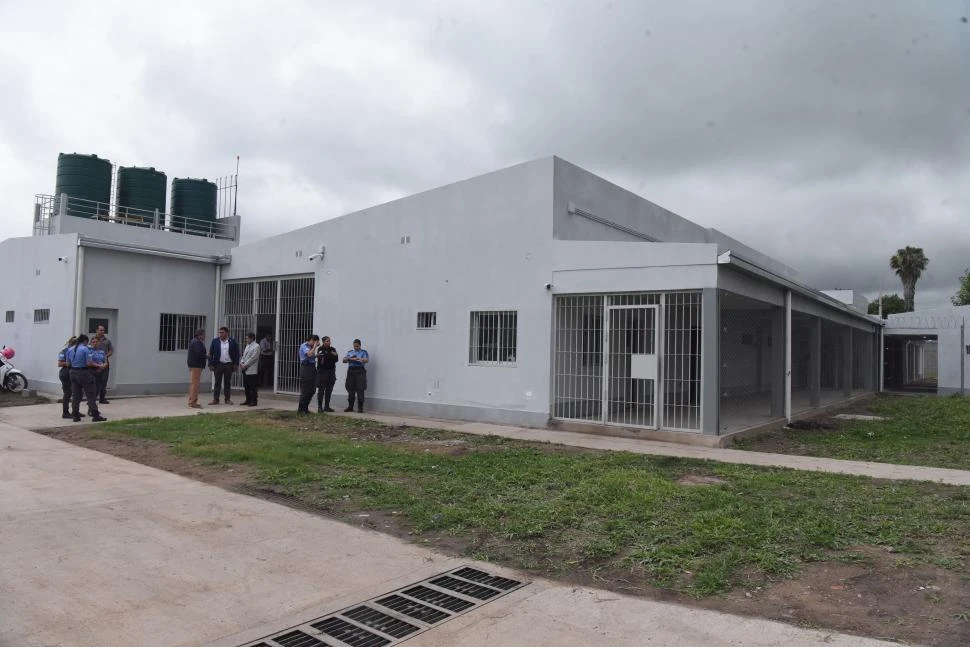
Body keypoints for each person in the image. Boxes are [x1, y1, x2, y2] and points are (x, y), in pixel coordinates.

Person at [67, 335, 106, 422]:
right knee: (91, 394)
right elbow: (89, 363)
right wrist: (100, 365)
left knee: (76, 395)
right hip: (84, 373)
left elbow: (68, 364)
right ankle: (95, 415)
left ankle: (75, 415)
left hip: (73, 372)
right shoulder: (85, 349)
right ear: (85, 341)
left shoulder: (70, 349)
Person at [208, 326, 239, 405]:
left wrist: (236, 364)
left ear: (226, 333)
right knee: (217, 382)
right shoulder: (215, 341)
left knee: (227, 383)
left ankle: (227, 399)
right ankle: (216, 399)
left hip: (229, 365)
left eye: (222, 333)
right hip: (218, 365)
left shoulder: (232, 341)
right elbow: (210, 353)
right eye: (220, 333)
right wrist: (210, 364)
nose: (220, 334)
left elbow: (237, 354)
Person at [342, 338, 369, 413]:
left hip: (360, 371)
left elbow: (367, 360)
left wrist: (360, 359)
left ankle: (360, 408)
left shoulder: (363, 352)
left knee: (360, 389)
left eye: (357, 346)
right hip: (351, 371)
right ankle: (350, 407)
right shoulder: (350, 352)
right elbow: (344, 360)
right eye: (354, 346)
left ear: (360, 345)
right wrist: (348, 358)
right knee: (350, 389)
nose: (356, 348)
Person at [297, 334, 320, 414]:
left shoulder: (310, 347)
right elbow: (309, 354)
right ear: (310, 340)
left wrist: (317, 355)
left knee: (312, 389)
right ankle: (301, 409)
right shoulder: (304, 345)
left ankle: (306, 408)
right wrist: (314, 347)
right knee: (306, 389)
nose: (315, 343)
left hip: (312, 367)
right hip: (306, 368)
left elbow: (311, 356)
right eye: (314, 341)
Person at [315, 335, 339, 413]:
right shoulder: (320, 349)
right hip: (322, 372)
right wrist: (331, 355)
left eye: (329, 341)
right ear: (323, 342)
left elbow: (336, 359)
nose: (329, 342)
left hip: (331, 371)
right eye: (327, 341)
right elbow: (321, 359)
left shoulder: (333, 349)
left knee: (329, 390)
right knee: (321, 389)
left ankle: (327, 406)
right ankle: (319, 407)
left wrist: (330, 355)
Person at [57, 336, 78, 419]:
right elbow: (59, 363)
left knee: (76, 393)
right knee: (67, 393)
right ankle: (65, 412)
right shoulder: (64, 351)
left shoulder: (76, 351)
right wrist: (68, 363)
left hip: (73, 373)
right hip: (65, 373)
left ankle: (75, 411)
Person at [186, 328, 207, 408]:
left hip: (195, 365)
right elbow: (198, 354)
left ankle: (193, 401)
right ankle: (192, 402)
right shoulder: (196, 342)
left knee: (194, 384)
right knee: (195, 384)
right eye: (203, 334)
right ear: (200, 335)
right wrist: (206, 356)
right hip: (196, 366)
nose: (205, 336)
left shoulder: (195, 341)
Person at [93, 324, 113, 404]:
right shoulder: (93, 340)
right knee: (95, 382)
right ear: (97, 330)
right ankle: (93, 398)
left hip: (105, 363)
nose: (102, 332)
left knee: (104, 381)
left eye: (103, 330)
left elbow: (111, 350)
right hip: (95, 364)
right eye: (101, 330)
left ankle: (102, 398)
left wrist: (105, 356)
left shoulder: (107, 341)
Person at [240, 332, 261, 406]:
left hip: (251, 369)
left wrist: (245, 365)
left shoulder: (256, 346)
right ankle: (248, 399)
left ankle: (254, 401)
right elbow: (244, 356)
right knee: (246, 386)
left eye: (247, 338)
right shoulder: (247, 346)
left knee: (252, 386)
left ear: (252, 338)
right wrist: (241, 362)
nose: (246, 340)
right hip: (245, 369)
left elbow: (253, 358)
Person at [89, 337, 107, 410]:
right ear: (90, 343)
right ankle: (91, 409)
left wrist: (103, 366)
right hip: (92, 371)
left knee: (97, 390)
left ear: (99, 343)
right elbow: (89, 362)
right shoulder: (89, 351)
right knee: (92, 391)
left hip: (100, 371)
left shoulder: (102, 352)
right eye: (93, 342)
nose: (95, 343)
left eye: (96, 342)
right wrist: (99, 366)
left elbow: (105, 361)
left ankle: (92, 406)